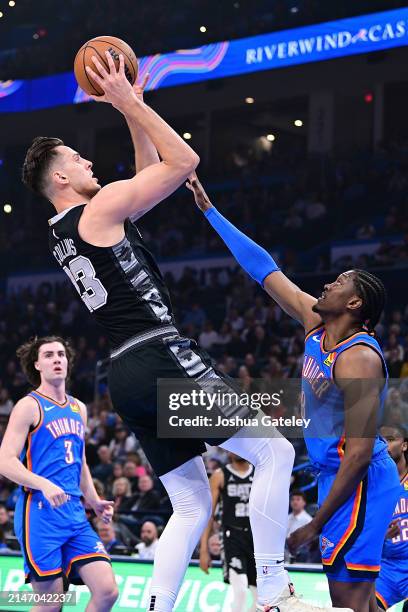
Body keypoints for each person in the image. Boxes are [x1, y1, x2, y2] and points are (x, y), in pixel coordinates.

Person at [21, 54, 345, 612]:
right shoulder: (96, 211)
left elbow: (148, 174)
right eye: (77, 157)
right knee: (272, 453)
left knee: (192, 504)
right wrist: (124, 101)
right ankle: (272, 588)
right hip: (159, 354)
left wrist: (135, 108)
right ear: (60, 177)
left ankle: (157, 606)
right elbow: (183, 161)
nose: (88, 160)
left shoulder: (71, 229)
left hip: (124, 374)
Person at [187, 174, 401, 612]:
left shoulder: (359, 358)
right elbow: (264, 269)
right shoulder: (315, 323)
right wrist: (211, 211)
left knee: (351, 603)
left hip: (359, 483)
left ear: (356, 303)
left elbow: (360, 453)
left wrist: (313, 524)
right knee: (357, 605)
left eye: (339, 282)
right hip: (332, 477)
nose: (326, 285)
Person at [0, 336, 118, 612]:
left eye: (61, 355)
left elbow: (80, 462)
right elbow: (5, 461)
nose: (57, 359)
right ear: (37, 364)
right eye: (49, 355)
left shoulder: (80, 408)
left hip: (75, 514)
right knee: (51, 604)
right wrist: (43, 484)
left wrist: (94, 499)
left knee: (107, 592)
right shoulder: (29, 406)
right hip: (39, 514)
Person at [200, 453, 257, 612]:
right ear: (227, 450)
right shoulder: (219, 475)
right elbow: (208, 515)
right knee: (240, 592)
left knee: (260, 597)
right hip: (232, 537)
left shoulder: (259, 472)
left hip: (257, 539)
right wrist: (204, 550)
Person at [375, 425, 408, 610]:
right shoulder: (372, 485)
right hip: (385, 568)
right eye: (381, 440)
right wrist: (381, 534)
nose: (385, 445)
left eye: (391, 439)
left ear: (404, 446)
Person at [286, 491, 313, 563]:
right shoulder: (286, 518)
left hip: (300, 553)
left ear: (304, 503)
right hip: (285, 550)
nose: (295, 502)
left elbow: (309, 543)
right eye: (293, 499)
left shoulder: (309, 520)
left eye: (298, 499)